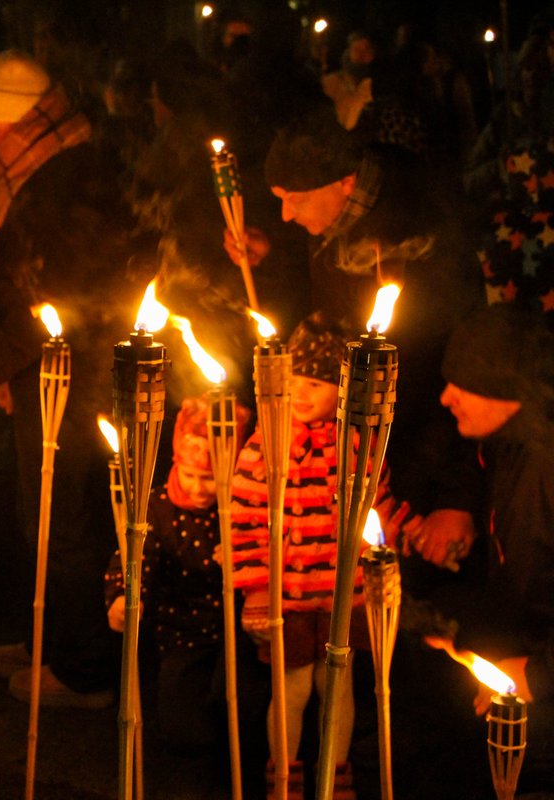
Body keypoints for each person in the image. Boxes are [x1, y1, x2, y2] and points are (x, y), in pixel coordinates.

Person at [0, 49, 137, 708]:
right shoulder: (41, 169)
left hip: (78, 377)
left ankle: (83, 669)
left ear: (27, 122)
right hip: (48, 370)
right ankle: (53, 637)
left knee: (61, 516)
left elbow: (49, 305)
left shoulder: (66, 184)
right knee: (38, 511)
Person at [227, 109, 481, 567]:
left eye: (295, 199)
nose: (285, 215)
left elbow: (460, 366)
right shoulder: (337, 218)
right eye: (279, 199)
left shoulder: (420, 234)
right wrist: (271, 258)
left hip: (415, 465)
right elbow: (321, 308)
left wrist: (456, 496)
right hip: (350, 454)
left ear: (345, 182)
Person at [230, 313, 398, 799]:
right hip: (289, 597)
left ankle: (334, 777)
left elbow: (374, 506)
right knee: (293, 689)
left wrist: (390, 551)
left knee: (338, 688)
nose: (302, 393)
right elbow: (243, 517)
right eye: (296, 380)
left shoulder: (355, 441)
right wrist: (258, 587)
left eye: (317, 383)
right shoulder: (267, 442)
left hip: (343, 593)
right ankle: (284, 778)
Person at [420, 305, 554, 793]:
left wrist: (536, 675)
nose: (445, 396)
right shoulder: (508, 444)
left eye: (465, 382)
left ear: (507, 382)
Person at [103, 395, 248, 756]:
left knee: (233, 704)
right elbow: (137, 559)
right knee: (181, 727)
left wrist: (242, 555)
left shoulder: (241, 506)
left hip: (235, 629)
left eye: (209, 479)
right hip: (181, 631)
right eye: (190, 475)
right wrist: (122, 596)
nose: (198, 488)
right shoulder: (158, 507)